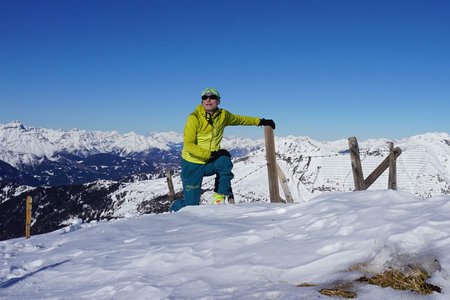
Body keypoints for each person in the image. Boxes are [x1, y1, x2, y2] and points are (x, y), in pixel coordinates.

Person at [170, 87, 275, 212]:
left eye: (212, 97)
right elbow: (189, 145)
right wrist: (211, 154)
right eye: (205, 98)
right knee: (191, 206)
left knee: (225, 160)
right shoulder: (194, 118)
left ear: (218, 101)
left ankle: (218, 198)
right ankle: (174, 207)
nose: (208, 100)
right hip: (192, 163)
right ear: (202, 101)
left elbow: (240, 119)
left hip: (209, 161)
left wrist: (261, 121)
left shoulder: (223, 115)